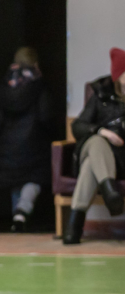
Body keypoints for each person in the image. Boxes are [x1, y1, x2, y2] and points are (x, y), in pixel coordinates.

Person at [0, 47, 54, 232]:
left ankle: (17, 217)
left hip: (7, 146)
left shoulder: (4, 86)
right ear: (35, 63)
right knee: (34, 179)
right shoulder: (39, 85)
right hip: (34, 143)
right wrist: (52, 135)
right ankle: (22, 211)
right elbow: (45, 117)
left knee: (14, 181)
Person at [64, 47, 125, 244]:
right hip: (97, 149)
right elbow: (77, 126)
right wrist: (102, 131)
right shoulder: (100, 95)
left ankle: (74, 226)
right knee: (96, 142)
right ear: (118, 76)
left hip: (120, 159)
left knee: (90, 164)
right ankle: (110, 193)